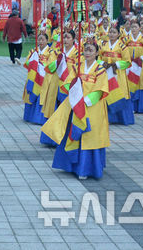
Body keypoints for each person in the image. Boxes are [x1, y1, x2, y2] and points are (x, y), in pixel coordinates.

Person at [43, 38, 110, 179]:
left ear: (97, 52)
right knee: (73, 132)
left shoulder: (100, 69)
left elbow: (101, 89)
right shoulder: (77, 67)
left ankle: (86, 169)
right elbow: (67, 82)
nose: (87, 53)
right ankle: (72, 166)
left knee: (89, 135)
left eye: (91, 50)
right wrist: (74, 94)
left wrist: (85, 100)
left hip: (92, 107)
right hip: (75, 104)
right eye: (86, 49)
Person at [99, 25, 134, 125]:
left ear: (118, 34)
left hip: (118, 74)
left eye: (114, 32)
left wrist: (116, 64)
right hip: (106, 73)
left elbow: (127, 62)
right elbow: (98, 58)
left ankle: (121, 119)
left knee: (119, 92)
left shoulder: (123, 46)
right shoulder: (103, 45)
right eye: (110, 32)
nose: (112, 34)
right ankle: (107, 118)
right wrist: (103, 63)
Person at [125, 19, 143, 113]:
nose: (134, 29)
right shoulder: (126, 39)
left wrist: (142, 58)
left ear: (139, 28)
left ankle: (141, 107)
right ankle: (131, 107)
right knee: (130, 83)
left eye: (136, 27)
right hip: (129, 64)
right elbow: (121, 49)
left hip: (140, 65)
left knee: (140, 83)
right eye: (132, 27)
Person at [23, 31, 53, 125]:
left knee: (41, 96)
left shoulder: (51, 52)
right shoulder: (33, 51)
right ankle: (29, 116)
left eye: (42, 39)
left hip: (44, 78)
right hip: (33, 77)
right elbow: (27, 63)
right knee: (31, 94)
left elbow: (51, 65)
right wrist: (34, 62)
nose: (40, 41)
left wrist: (41, 65)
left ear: (47, 41)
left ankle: (39, 118)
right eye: (39, 39)